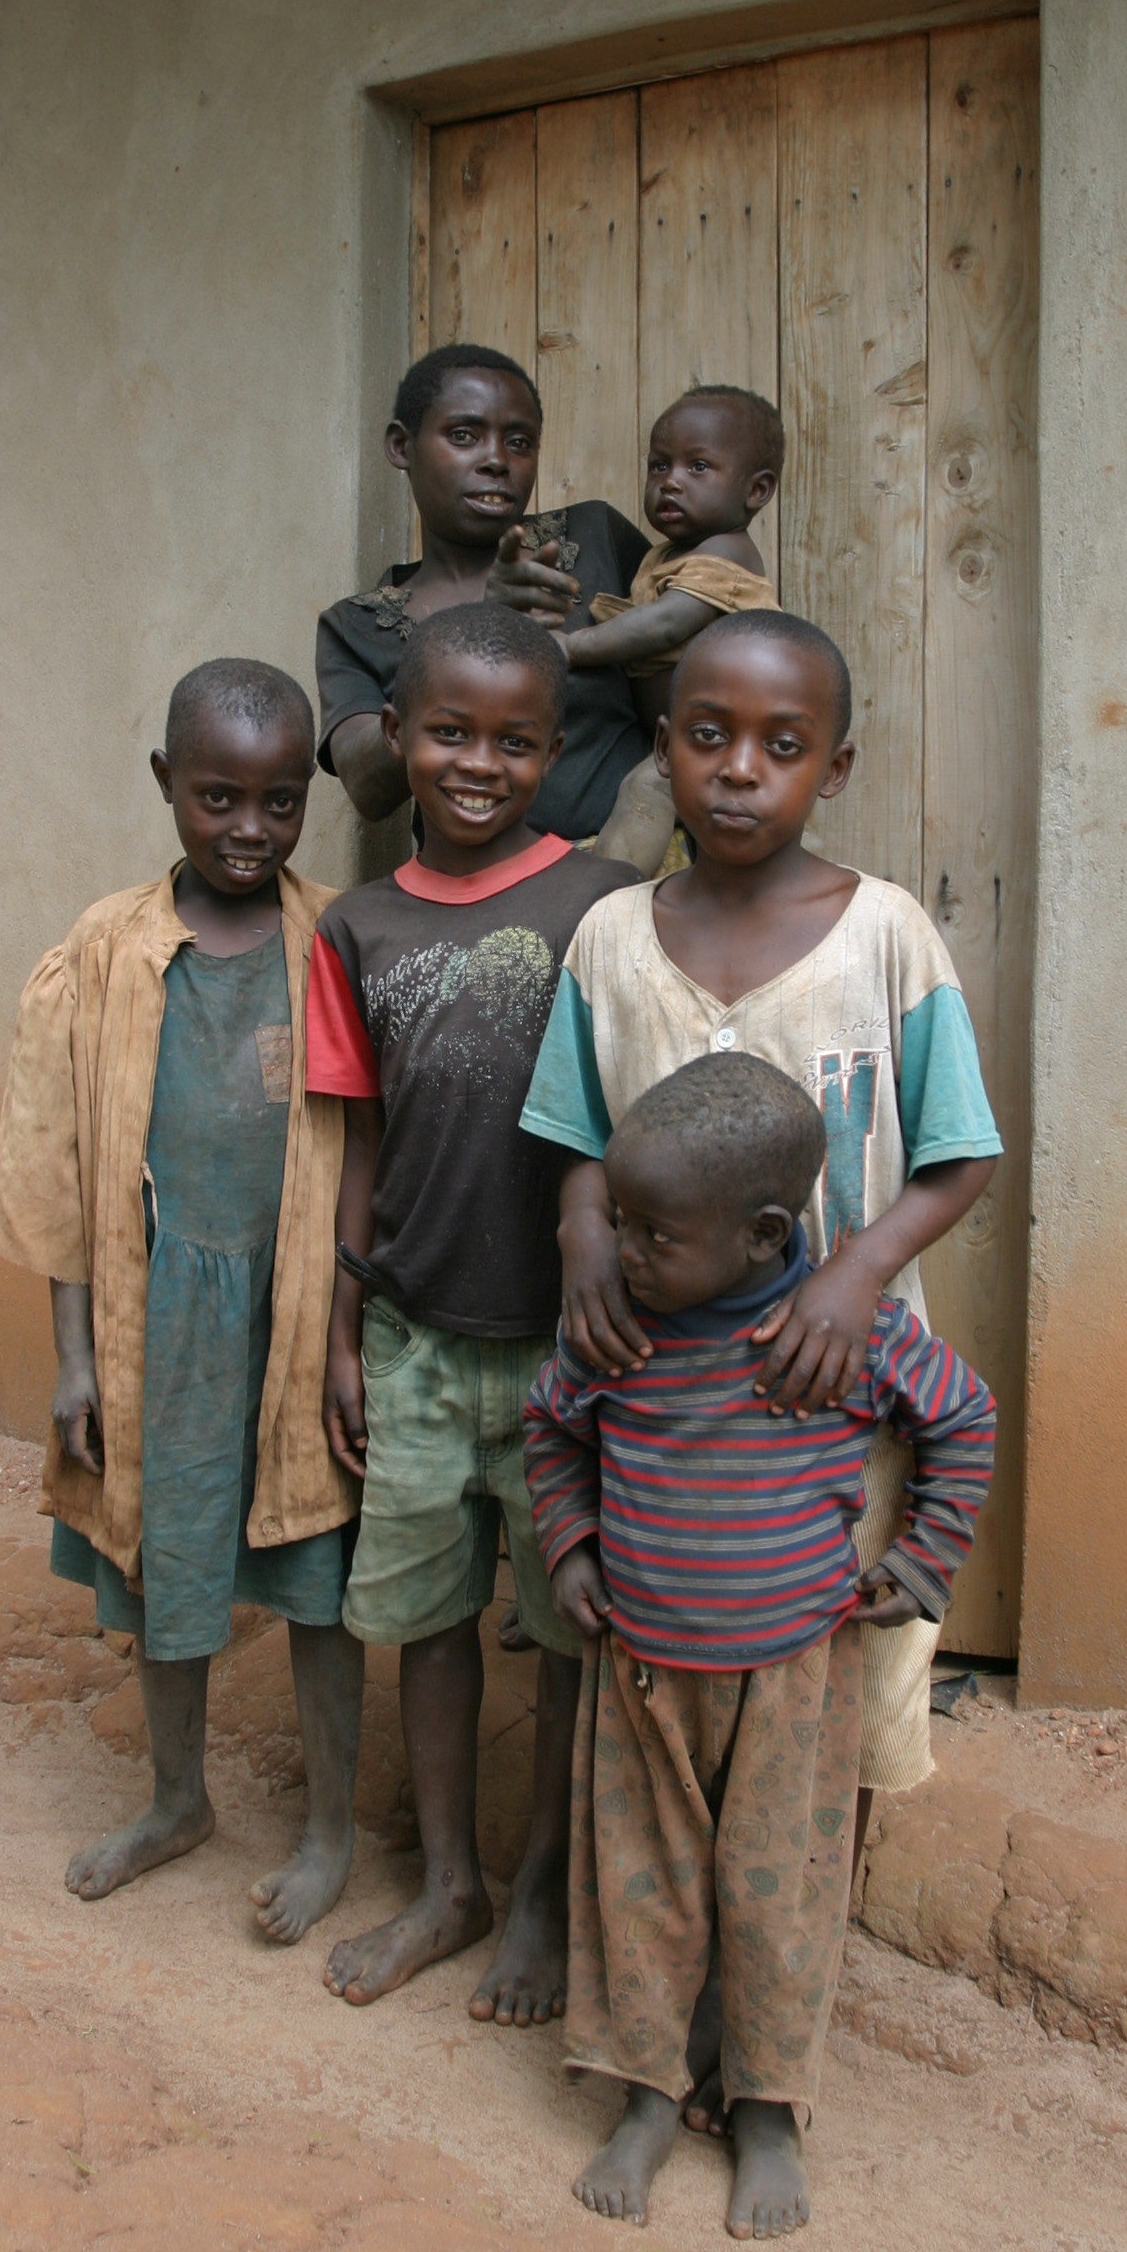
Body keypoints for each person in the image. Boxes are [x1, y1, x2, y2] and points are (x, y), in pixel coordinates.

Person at [519, 609, 1002, 1947]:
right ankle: (666, 1967)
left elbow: (962, 1157)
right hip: (665, 1416)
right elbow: (566, 1133)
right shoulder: (613, 939)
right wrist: (582, 1242)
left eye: (780, 747)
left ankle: (786, 1982)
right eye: (710, 736)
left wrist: (857, 1276)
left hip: (839, 1402)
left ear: (832, 769)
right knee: (662, 1683)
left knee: (835, 1708)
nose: (739, 769)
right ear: (662, 749)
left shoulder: (888, 938)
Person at [526, 1052, 995, 2239]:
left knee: (776, 1895)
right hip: (640, 1675)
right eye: (617, 1222)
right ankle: (641, 2095)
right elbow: (549, 1430)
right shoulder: (621, 1333)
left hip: (794, 1674)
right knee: (642, 1889)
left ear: (761, 1235)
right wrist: (572, 1546)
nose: (618, 1251)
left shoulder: (836, 1336)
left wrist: (923, 1562)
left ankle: (767, 2110)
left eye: (649, 1233)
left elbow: (964, 1422)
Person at [0, 659, 365, 1944]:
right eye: (217, 799)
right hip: (160, 1319)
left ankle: (329, 1833)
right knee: (164, 1557)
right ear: (166, 784)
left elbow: (367, 1150)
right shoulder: (101, 954)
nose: (248, 832)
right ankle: (174, 1800)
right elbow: (53, 1172)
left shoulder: (336, 943)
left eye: (277, 803)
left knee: (316, 1572)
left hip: (302, 1310)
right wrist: (74, 1356)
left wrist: (348, 1333)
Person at [304, 601, 638, 2020]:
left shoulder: (605, 908)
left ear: (553, 753)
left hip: (568, 1355)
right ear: (396, 738)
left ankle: (545, 1899)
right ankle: (450, 1881)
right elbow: (357, 1140)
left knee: (567, 1639)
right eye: (448, 733)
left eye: (514, 742)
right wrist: (340, 1328)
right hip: (418, 1337)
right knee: (429, 1623)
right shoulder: (356, 923)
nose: (478, 764)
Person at [314, 341, 662, 861]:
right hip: (473, 901)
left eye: (519, 443)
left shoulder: (596, 541)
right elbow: (368, 788)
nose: (496, 460)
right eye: (463, 435)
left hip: (632, 879)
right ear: (401, 447)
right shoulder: (360, 625)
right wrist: (485, 623)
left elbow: (681, 695)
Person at [569, 384, 781, 867]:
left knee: (646, 791)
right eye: (659, 465)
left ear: (756, 491)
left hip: (723, 738)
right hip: (686, 735)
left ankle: (610, 900)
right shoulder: (664, 557)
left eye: (698, 467)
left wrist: (572, 647)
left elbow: (664, 625)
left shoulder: (729, 552)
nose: (671, 481)